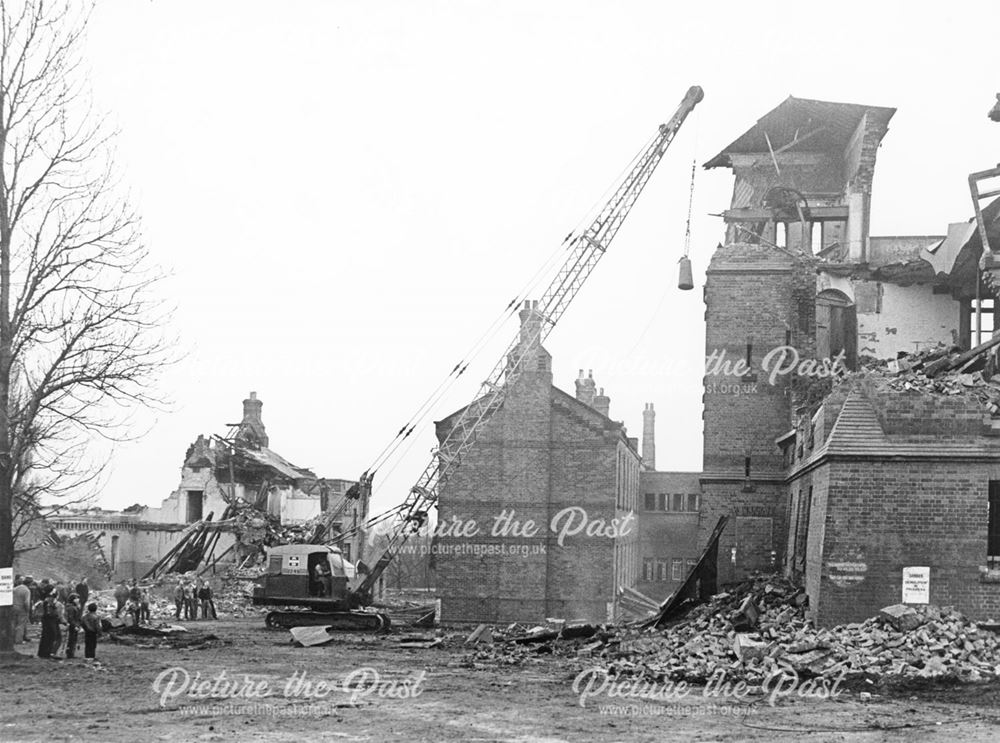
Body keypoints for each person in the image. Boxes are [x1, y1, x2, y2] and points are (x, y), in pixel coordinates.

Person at [36, 586, 60, 659]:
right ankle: (46, 653)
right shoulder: (49, 600)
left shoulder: (45, 600)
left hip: (47, 619)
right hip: (49, 619)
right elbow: (50, 611)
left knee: (46, 635)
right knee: (50, 635)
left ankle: (43, 653)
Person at [12, 577, 31, 643]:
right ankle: (18, 640)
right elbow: (26, 602)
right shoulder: (27, 590)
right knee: (20, 625)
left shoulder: (15, 588)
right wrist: (28, 610)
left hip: (13, 607)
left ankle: (12, 639)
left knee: (13, 624)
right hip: (22, 609)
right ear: (29, 584)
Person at [64, 594, 81, 659]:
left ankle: (71, 653)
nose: (78, 600)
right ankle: (70, 653)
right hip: (73, 625)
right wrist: (75, 626)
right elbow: (71, 618)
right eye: (76, 598)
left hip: (75, 624)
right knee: (72, 639)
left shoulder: (75, 607)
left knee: (74, 639)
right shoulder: (71, 608)